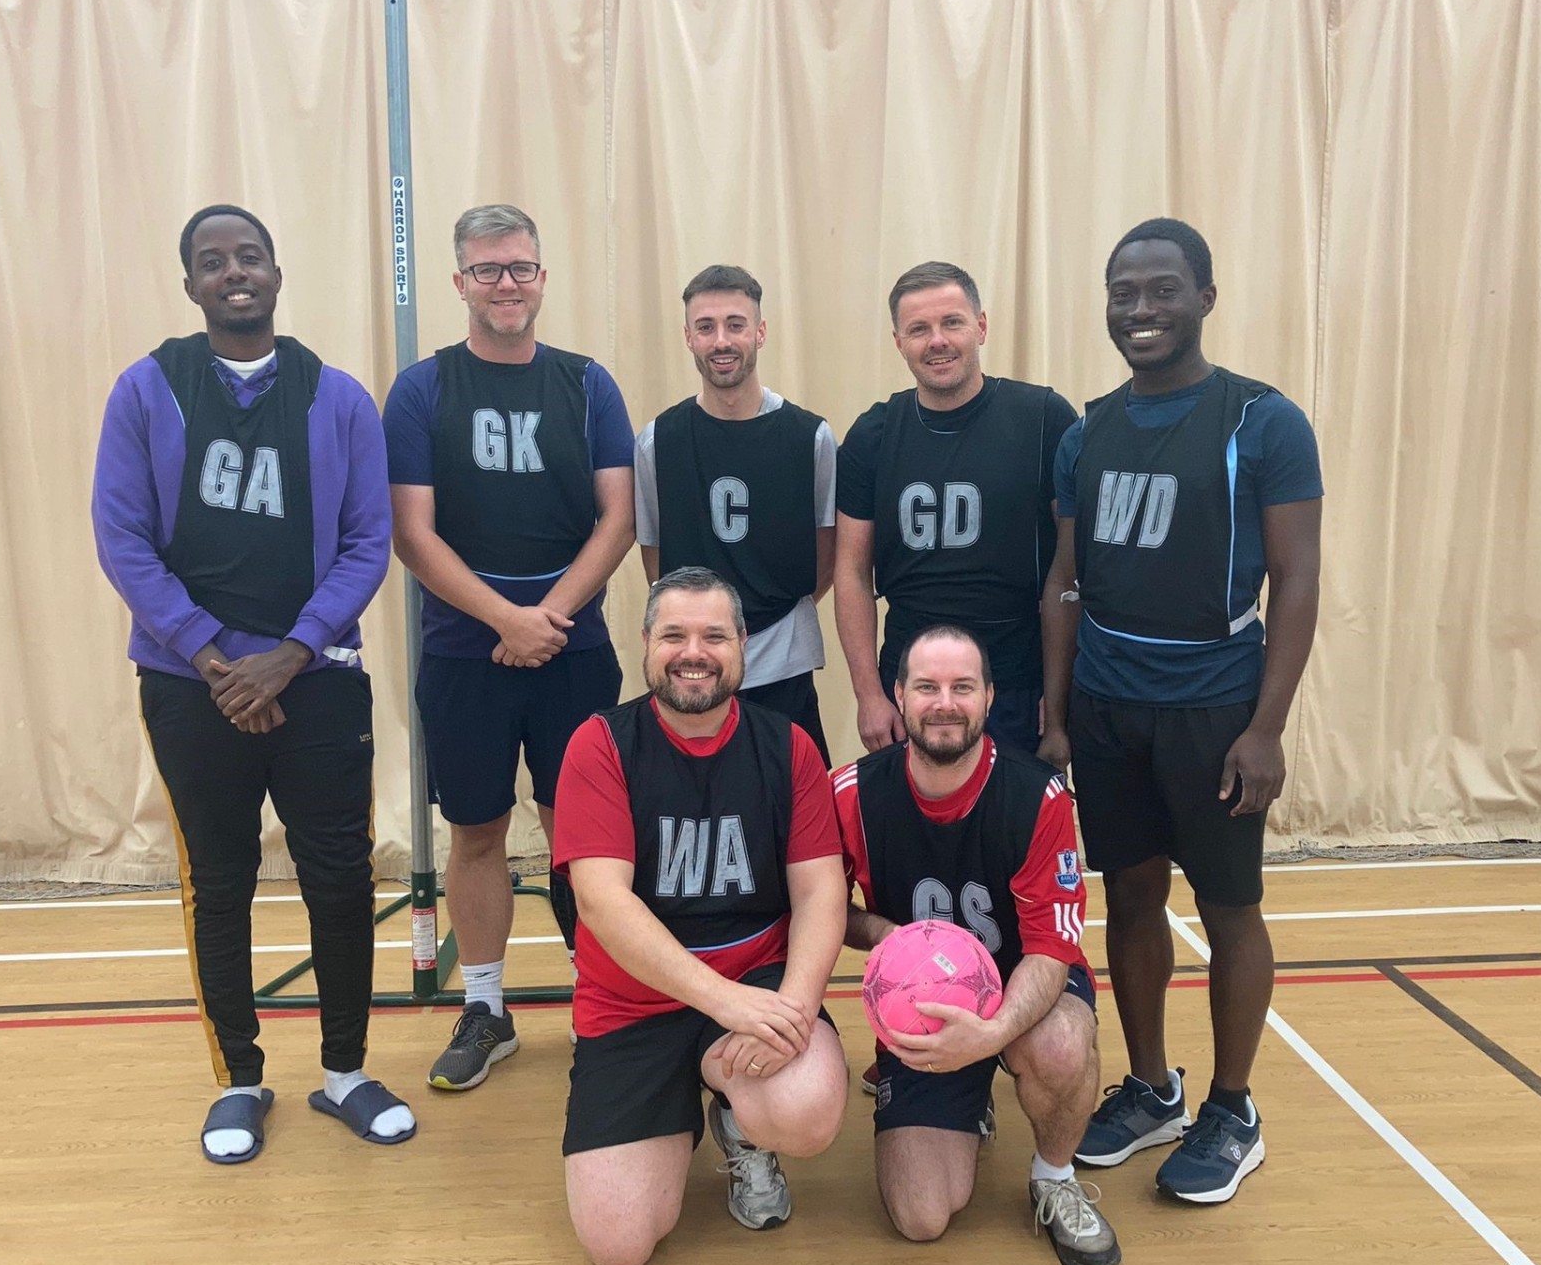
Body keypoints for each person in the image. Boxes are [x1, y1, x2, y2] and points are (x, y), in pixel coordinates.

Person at [92, 204, 414, 1163]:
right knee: (219, 878)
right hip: (191, 683)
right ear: (189, 284)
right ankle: (237, 1080)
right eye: (212, 261)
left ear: (276, 272)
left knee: (339, 874)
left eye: (250, 256)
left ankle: (347, 1071)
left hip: (314, 677)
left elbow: (367, 543)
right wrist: (214, 658)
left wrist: (294, 652)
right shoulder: (147, 390)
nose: (235, 272)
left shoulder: (339, 396)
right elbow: (124, 541)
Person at [1041, 218, 1322, 1204]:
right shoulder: (1088, 432)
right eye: (1123, 292)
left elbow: (1295, 580)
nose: (1140, 309)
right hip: (1111, 708)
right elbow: (1067, 584)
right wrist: (1056, 710)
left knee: (1231, 907)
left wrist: (1268, 726)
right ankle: (1155, 1085)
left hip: (1215, 708)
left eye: (1162, 289)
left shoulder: (1262, 423)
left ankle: (1232, 1107)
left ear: (1206, 296)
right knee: (1129, 897)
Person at [383, 203, 636, 1091]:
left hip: (572, 650)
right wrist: (502, 620)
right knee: (478, 830)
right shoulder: (421, 390)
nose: (505, 284)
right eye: (487, 270)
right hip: (464, 656)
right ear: (458, 282)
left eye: (520, 268)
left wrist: (548, 620)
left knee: (587, 838)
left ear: (541, 277)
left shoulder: (586, 384)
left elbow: (619, 516)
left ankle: (604, 1002)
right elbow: (412, 534)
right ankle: (485, 1007)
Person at [551, 568, 848, 1265]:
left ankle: (744, 1123)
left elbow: (821, 894)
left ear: (743, 645)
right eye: (674, 635)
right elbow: (602, 902)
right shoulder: (599, 745)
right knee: (618, 1246)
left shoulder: (788, 747)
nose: (695, 652)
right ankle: (682, 1101)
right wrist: (727, 1002)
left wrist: (795, 1011)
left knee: (806, 1109)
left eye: (714, 635)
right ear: (646, 642)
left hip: (755, 982)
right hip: (634, 1006)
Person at [835, 624, 1119, 1265]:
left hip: (1025, 994)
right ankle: (971, 1103)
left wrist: (991, 1034)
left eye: (963, 687)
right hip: (925, 1010)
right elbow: (821, 910)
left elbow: (1052, 951)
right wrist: (889, 937)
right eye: (927, 686)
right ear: (898, 696)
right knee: (920, 1216)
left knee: (1060, 1044)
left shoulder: (1038, 796)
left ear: (989, 698)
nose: (945, 703)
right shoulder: (851, 794)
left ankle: (1054, 1177)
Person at [834, 262, 1075, 761]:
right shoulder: (873, 435)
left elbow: (1070, 570)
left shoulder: (1044, 419)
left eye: (952, 322)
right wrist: (868, 696)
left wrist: (1059, 693)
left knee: (1016, 834)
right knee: (912, 835)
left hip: (1017, 682)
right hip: (910, 686)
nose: (936, 341)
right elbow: (852, 572)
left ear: (981, 326)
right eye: (919, 329)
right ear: (899, 341)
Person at [634, 265, 837, 766]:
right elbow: (655, 559)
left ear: (760, 332)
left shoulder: (811, 436)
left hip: (783, 658)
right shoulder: (658, 441)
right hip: (694, 667)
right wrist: (705, 634)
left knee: (793, 813)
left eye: (736, 324)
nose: (721, 340)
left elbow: (826, 560)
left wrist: (761, 628)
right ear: (688, 337)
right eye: (706, 327)